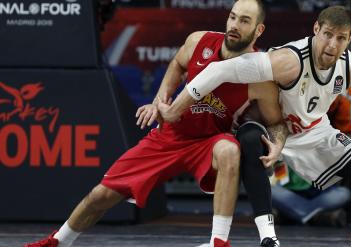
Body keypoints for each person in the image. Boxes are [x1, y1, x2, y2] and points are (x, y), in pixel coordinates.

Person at [157, 6, 351, 247]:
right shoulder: (288, 60)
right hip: (273, 127)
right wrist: (174, 109)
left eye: (341, 38)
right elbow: (218, 71)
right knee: (250, 137)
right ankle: (269, 238)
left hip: (315, 134)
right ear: (316, 29)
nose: (332, 44)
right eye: (328, 34)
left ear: (349, 39)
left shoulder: (350, 65)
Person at [23, 1, 285, 247]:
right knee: (100, 195)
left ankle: (219, 242)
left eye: (244, 21)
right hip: (170, 135)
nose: (234, 26)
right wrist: (159, 101)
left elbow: (276, 123)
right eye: (232, 17)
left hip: (210, 141)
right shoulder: (198, 41)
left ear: (258, 29)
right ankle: (58, 241)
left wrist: (276, 146)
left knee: (230, 150)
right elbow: (176, 65)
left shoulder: (260, 76)